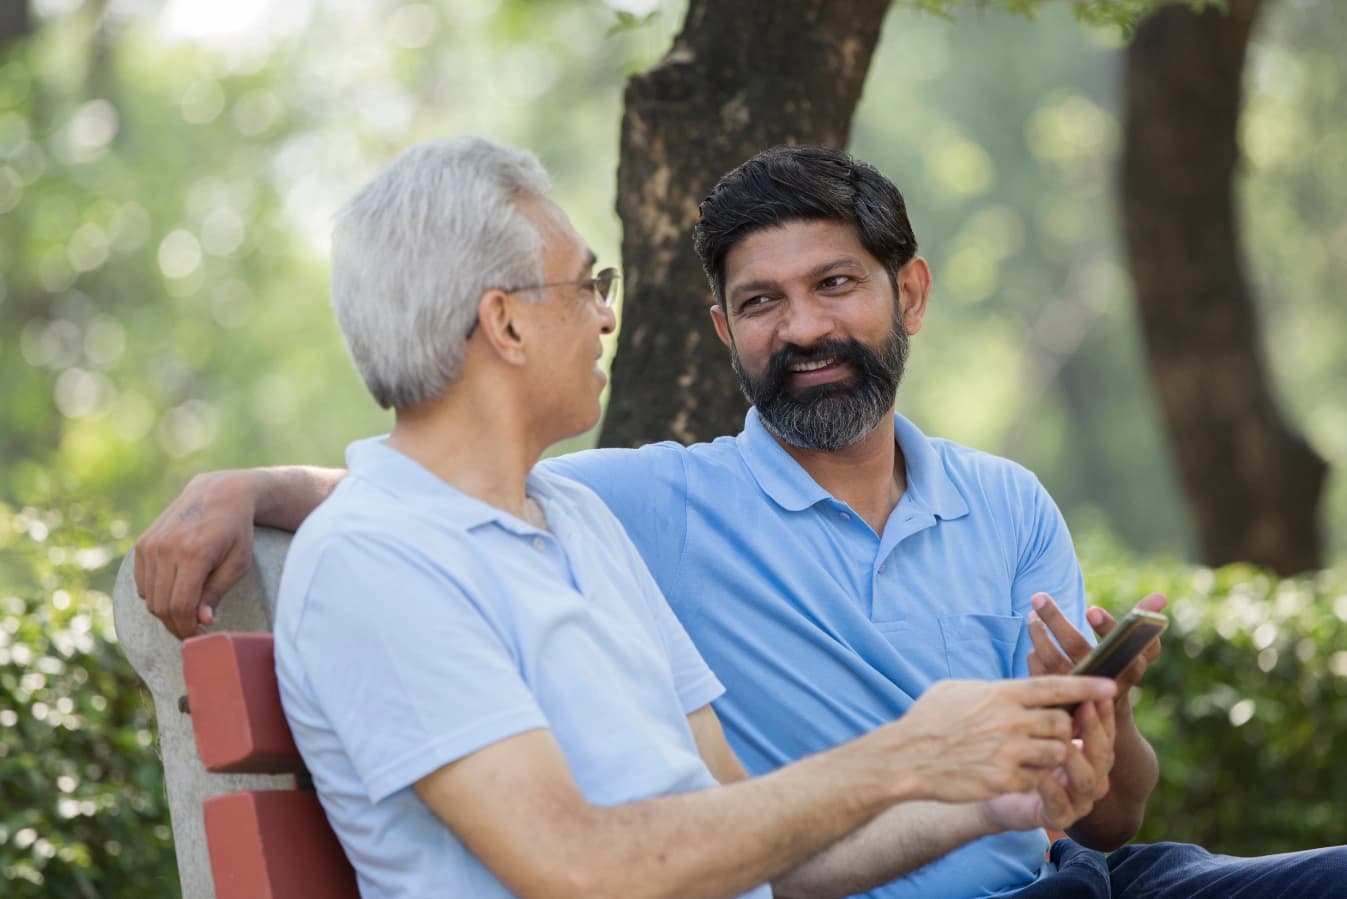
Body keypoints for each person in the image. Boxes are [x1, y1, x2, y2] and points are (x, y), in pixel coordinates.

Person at [135, 144, 1347, 898]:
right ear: (504, 324)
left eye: (835, 286)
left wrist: (999, 792)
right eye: (586, 287)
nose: (606, 319)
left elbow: (758, 848)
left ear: (902, 293)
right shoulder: (389, 562)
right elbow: (576, 868)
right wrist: (907, 751)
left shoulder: (571, 526)